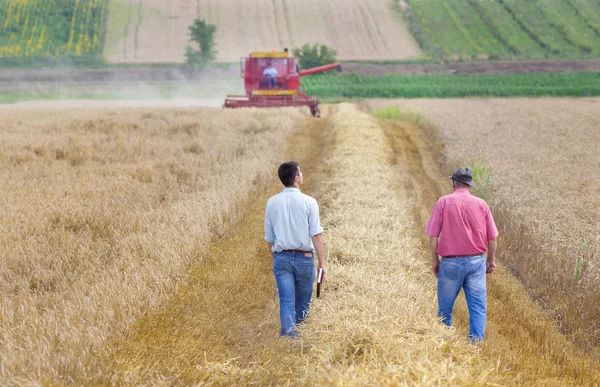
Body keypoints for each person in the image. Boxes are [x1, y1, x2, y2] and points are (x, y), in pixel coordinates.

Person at [425, 167, 498, 344]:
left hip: (450, 264)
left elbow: (433, 236)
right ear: (469, 185)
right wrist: (490, 260)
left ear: (452, 183)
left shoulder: (443, 202)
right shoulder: (482, 204)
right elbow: (492, 238)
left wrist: (435, 261)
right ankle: (475, 345)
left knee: (445, 309)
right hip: (476, 262)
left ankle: (444, 343)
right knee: (478, 308)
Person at [264, 161, 326, 338]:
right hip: (304, 258)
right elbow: (316, 235)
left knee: (286, 301)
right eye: (301, 172)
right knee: (303, 303)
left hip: (281, 258)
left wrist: (277, 256)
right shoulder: (309, 202)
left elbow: (269, 238)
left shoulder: (272, 203)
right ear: (297, 178)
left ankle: (289, 339)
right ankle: (300, 336)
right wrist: (322, 263)